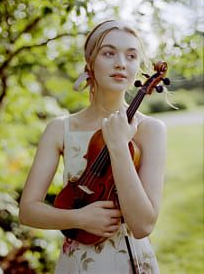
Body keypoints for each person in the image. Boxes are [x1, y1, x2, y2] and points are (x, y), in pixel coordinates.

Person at [19, 20, 167, 274]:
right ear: (90, 62)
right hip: (76, 264)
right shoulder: (60, 129)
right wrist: (78, 218)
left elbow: (143, 225)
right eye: (109, 53)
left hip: (129, 263)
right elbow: (28, 211)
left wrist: (120, 146)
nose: (121, 63)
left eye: (131, 56)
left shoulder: (150, 130)